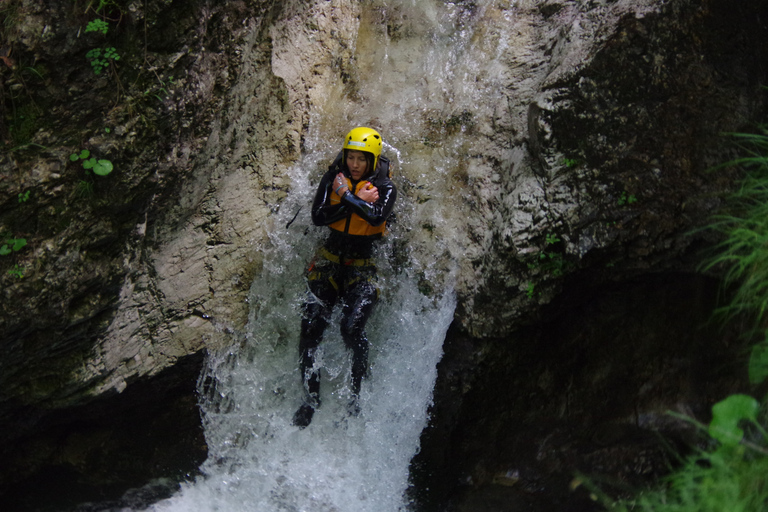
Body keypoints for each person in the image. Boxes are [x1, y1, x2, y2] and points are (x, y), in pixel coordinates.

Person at [292, 127, 397, 428]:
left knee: (351, 330)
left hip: (363, 266)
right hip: (328, 261)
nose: (353, 164)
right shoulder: (332, 179)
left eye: (361, 160)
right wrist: (352, 200)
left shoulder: (385, 187)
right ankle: (311, 400)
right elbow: (318, 217)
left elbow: (376, 217)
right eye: (350, 157)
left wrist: (346, 197)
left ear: (372, 161)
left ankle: (356, 397)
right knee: (310, 329)